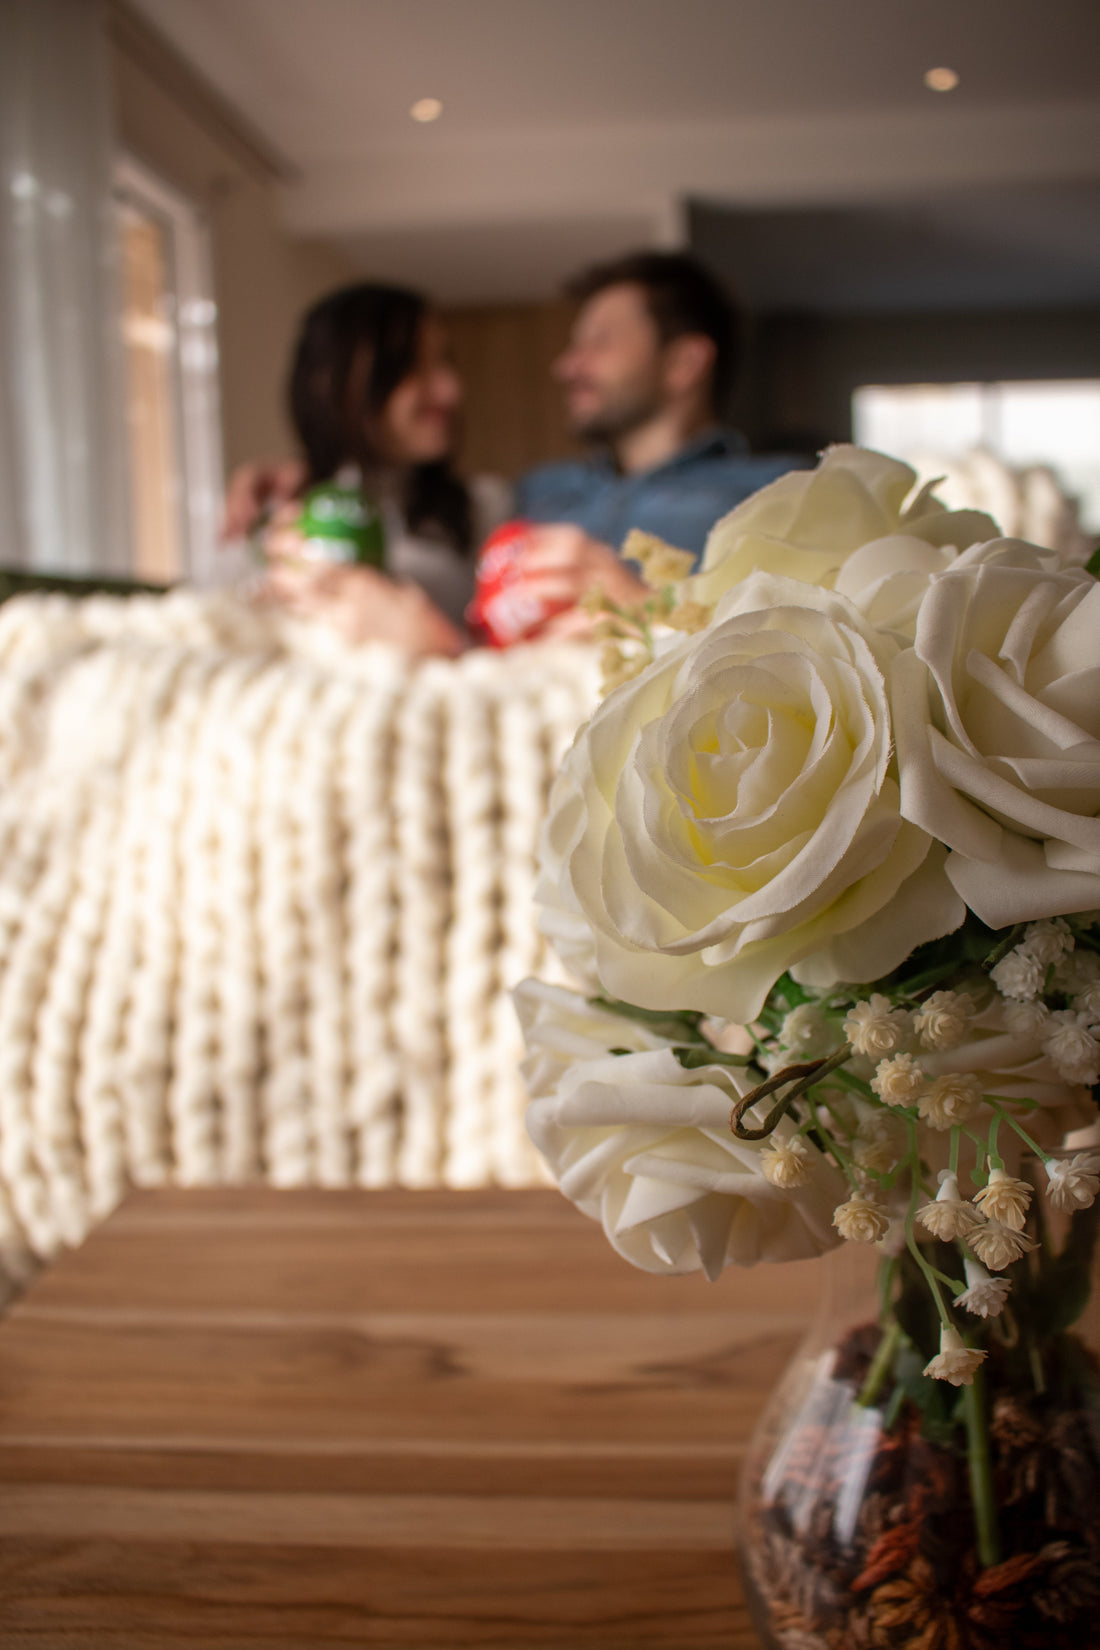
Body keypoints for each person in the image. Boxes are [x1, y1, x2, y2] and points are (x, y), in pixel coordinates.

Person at [505, 250, 804, 621]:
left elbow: (797, 644)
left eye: (600, 342)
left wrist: (644, 609)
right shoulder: (539, 491)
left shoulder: (778, 494)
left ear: (684, 363)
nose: (566, 367)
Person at [231, 281, 508, 655]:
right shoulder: (276, 514)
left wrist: (437, 646)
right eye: (413, 367)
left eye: (445, 361)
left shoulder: (486, 507)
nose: (451, 390)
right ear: (333, 381)